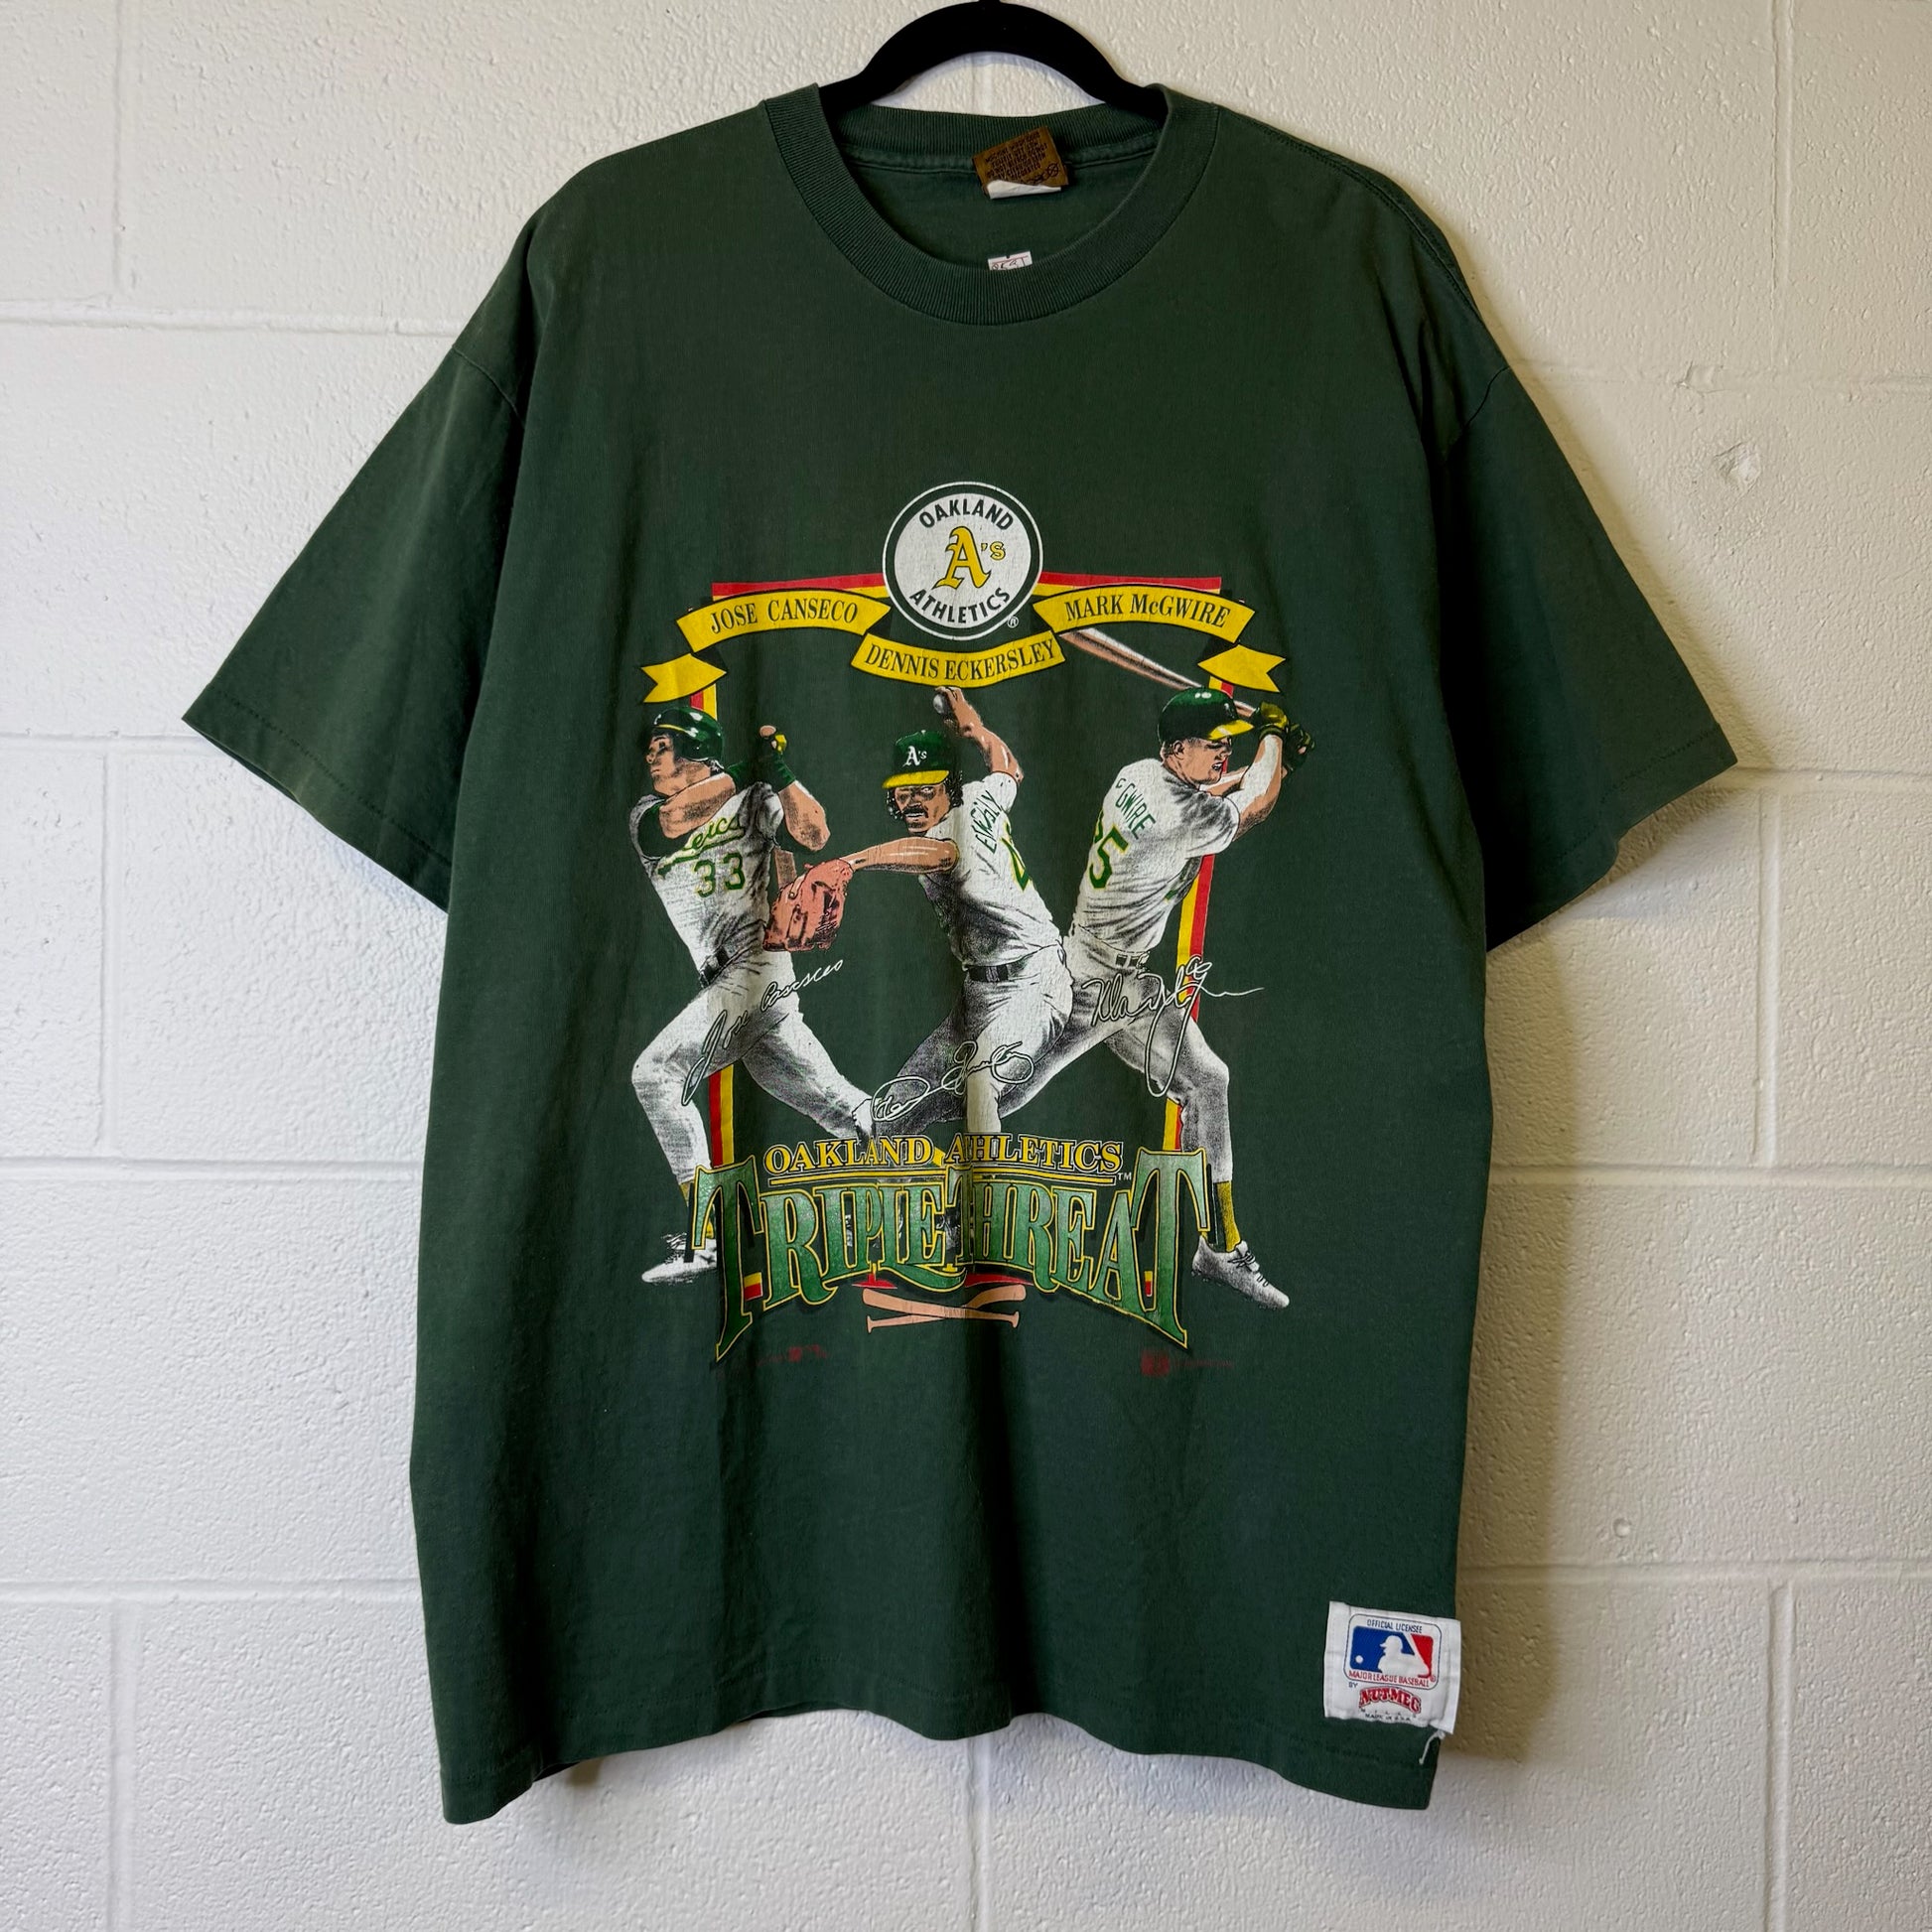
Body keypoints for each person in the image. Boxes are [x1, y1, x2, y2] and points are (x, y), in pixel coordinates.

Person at [1000, 687, 1307, 1309]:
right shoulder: (1177, 814)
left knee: (1208, 1080)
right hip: (1088, 985)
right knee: (1001, 1090)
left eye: (1227, 744)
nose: (1222, 753)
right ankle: (896, 1157)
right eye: (1210, 745)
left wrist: (1274, 763)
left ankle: (1218, 1246)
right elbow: (1249, 807)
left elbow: (1223, 794)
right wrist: (1274, 742)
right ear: (1175, 750)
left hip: (1127, 984)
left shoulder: (1138, 775)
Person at [627, 704, 872, 1283]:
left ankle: (707, 1235)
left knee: (656, 1073)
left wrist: (778, 772)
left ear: (694, 750)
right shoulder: (647, 815)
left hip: (757, 968)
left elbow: (815, 833)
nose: (651, 757)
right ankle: (944, 1187)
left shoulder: (756, 795)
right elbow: (674, 821)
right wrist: (749, 766)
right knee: (838, 1104)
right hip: (724, 981)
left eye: (662, 747)